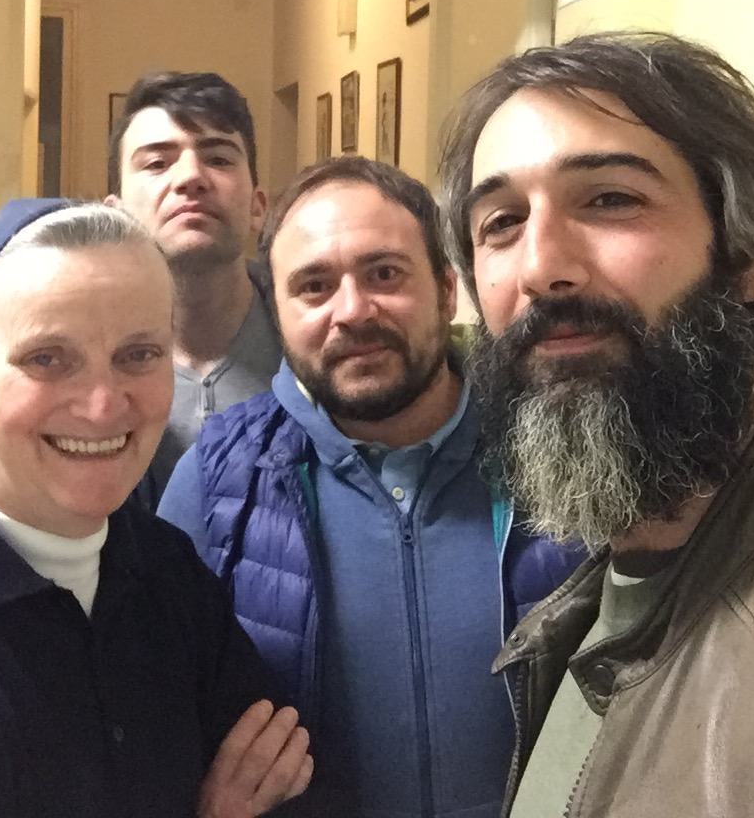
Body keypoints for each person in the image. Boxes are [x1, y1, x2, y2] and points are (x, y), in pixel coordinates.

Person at [438, 31, 754, 818]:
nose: (540, 266)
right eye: (501, 222)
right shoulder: (597, 597)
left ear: (745, 253)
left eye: (610, 199)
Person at [0, 202, 311, 817]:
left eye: (138, 354)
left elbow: (285, 786)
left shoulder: (172, 577)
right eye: (47, 358)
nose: (101, 407)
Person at [160, 156, 581, 818]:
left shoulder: (567, 449)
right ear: (279, 314)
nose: (352, 311)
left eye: (384, 273)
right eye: (314, 287)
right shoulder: (216, 484)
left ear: (447, 290)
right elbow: (151, 719)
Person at [107, 72, 282, 503]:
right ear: (115, 213)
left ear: (258, 207)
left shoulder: (316, 345)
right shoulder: (79, 367)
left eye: (218, 159)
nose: (191, 177)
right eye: (156, 163)